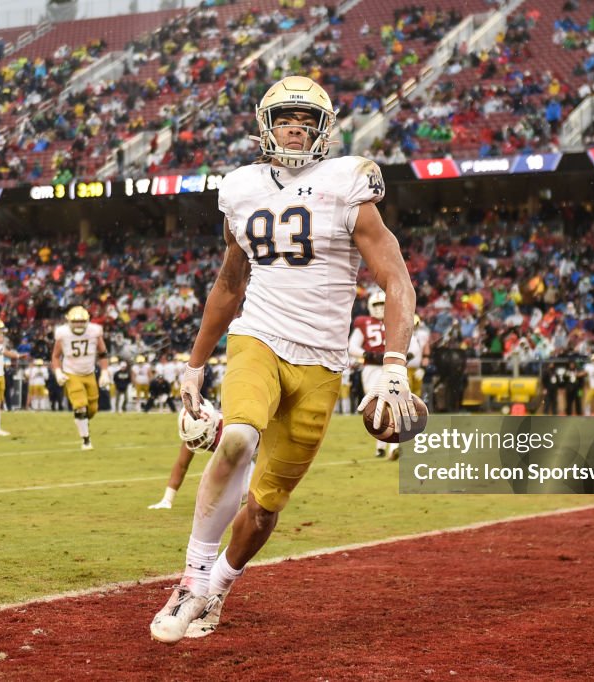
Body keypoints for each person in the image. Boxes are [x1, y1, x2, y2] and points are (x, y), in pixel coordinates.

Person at [150, 75, 416, 644]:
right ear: (264, 127)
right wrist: (195, 365)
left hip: (322, 361)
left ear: (323, 130)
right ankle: (191, 580)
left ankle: (218, 587)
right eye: (283, 119)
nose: (294, 129)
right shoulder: (242, 187)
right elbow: (229, 281)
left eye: (306, 120)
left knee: (266, 506)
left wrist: (395, 365)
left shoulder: (348, 179)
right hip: (259, 338)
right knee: (238, 436)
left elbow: (395, 275)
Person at [149, 398, 255, 511]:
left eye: (198, 438)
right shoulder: (197, 432)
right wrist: (167, 499)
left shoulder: (229, 434)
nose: (194, 444)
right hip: (240, 454)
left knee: (243, 494)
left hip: (253, 452)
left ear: (211, 427)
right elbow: (181, 465)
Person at [52, 305, 111, 450]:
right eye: (75, 321)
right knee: (80, 405)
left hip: (89, 372)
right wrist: (58, 372)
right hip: (71, 373)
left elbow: (103, 353)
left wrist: (104, 372)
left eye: (81, 321)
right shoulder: (63, 333)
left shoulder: (94, 331)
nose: (78, 324)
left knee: (92, 409)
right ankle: (86, 440)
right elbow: (55, 356)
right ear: (69, 321)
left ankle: (81, 420)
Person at [348, 290, 398, 458]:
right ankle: (381, 445)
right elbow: (352, 346)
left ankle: (392, 446)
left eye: (382, 304)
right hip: (372, 369)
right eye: (376, 305)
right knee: (379, 406)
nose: (379, 308)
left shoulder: (394, 321)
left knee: (392, 403)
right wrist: (366, 354)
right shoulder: (364, 322)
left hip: (391, 367)